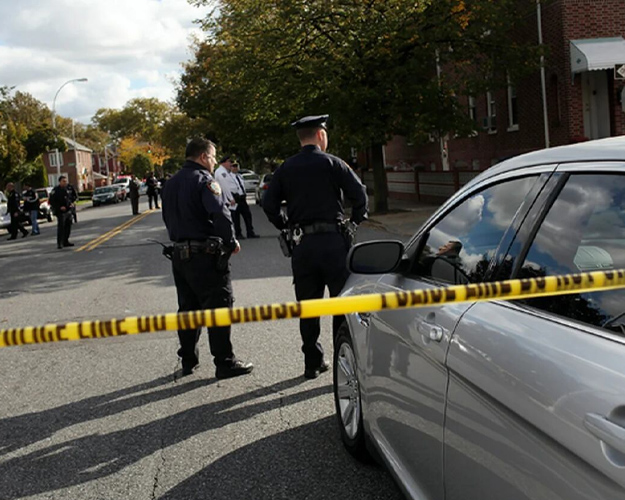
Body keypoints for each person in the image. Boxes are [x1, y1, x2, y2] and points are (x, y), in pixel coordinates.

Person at [263, 115, 368, 379]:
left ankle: (312, 362)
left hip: (303, 245)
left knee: (308, 306)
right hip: (334, 243)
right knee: (340, 305)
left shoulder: (286, 168)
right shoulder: (334, 163)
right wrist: (354, 221)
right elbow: (360, 196)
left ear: (301, 138)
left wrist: (284, 225)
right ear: (321, 135)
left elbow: (269, 203)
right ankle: (342, 361)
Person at [161, 137, 253, 379]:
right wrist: (231, 241)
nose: (213, 162)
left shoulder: (170, 183)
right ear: (203, 157)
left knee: (188, 309)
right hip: (204, 255)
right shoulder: (205, 180)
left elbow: (168, 218)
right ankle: (224, 362)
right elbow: (219, 213)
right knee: (219, 306)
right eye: (212, 157)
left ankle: (188, 359)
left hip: (180, 255)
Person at [214, 157, 241, 236]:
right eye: (230, 162)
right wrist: (231, 198)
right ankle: (230, 236)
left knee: (234, 218)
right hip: (227, 199)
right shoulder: (221, 172)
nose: (231, 164)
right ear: (223, 163)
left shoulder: (225, 171)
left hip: (229, 197)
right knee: (230, 219)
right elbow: (225, 186)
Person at [231, 162, 259, 238]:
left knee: (248, 216)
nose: (235, 168)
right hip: (236, 198)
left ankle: (250, 232)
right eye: (233, 166)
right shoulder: (229, 177)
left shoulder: (240, 176)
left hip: (243, 198)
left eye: (237, 166)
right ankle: (238, 233)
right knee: (236, 218)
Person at [49, 176, 75, 249]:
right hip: (61, 211)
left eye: (65, 181)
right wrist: (59, 207)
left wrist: (72, 203)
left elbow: (73, 197)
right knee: (61, 227)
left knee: (68, 226)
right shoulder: (56, 190)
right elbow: (52, 201)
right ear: (59, 182)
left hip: (68, 210)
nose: (65, 182)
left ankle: (65, 241)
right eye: (63, 181)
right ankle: (60, 243)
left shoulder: (69, 188)